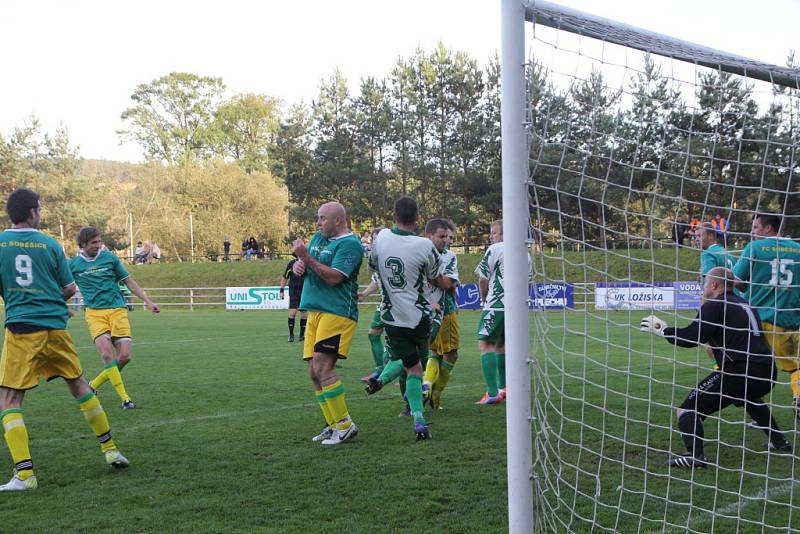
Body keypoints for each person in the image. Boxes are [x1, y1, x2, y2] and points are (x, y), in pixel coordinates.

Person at [0, 188, 129, 492]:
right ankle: (111, 450)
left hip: (21, 329)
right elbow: (70, 288)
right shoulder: (50, 244)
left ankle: (25, 475)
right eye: (39, 208)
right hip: (56, 328)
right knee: (80, 387)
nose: (41, 213)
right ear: (32, 212)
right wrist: (49, 301)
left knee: (9, 399)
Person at [640, 267, 791, 469]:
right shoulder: (745, 303)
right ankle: (780, 441)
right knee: (748, 397)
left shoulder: (715, 305)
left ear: (714, 285)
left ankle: (695, 456)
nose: (703, 287)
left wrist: (663, 330)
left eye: (705, 283)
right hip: (766, 371)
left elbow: (693, 337)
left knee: (687, 410)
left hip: (739, 371)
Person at [365, 197, 441, 440]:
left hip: (391, 317)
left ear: (393, 215)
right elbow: (433, 275)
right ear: (418, 218)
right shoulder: (425, 245)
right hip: (419, 316)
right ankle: (418, 419)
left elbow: (372, 265)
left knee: (409, 363)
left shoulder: (382, 238)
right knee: (417, 367)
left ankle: (383, 378)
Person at [292, 201, 363, 446]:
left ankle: (344, 426)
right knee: (314, 372)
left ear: (338, 221)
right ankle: (333, 425)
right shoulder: (318, 238)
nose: (318, 223)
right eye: (317, 218)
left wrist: (306, 258)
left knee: (323, 368)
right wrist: (300, 265)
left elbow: (334, 278)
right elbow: (308, 265)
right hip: (315, 311)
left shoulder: (351, 245)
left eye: (322, 218)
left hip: (337, 312)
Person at [69, 227, 160, 409]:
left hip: (117, 310)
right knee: (106, 354)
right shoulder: (72, 265)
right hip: (94, 313)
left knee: (125, 356)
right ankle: (125, 398)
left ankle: (93, 385)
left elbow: (129, 281)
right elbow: (63, 287)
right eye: (94, 242)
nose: (99, 245)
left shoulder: (110, 258)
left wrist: (148, 302)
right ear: (83, 244)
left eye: (99, 241)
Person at [732, 213, 800, 418]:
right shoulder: (798, 249)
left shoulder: (754, 248)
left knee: (750, 368)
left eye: (755, 228)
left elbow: (737, 281)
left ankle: (758, 414)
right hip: (793, 319)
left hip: (762, 320)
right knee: (795, 366)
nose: (752, 233)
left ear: (768, 228)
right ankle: (798, 396)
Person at [422, 218, 461, 410]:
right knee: (451, 354)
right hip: (444, 311)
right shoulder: (448, 256)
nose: (446, 240)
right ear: (429, 236)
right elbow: (447, 283)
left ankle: (426, 385)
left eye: (448, 237)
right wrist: (438, 278)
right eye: (442, 236)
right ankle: (435, 395)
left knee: (435, 351)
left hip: (423, 311)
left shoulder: (417, 253)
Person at [475, 220, 508, 404]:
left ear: (504, 234)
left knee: (485, 344)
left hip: (495, 304)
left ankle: (492, 392)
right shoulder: (524, 253)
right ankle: (505, 389)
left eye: (494, 233)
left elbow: (483, 278)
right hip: (514, 308)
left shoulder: (495, 249)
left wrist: (484, 297)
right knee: (501, 346)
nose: (491, 236)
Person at [357, 228, 387, 384]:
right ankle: (381, 369)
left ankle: (395, 370)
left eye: (377, 239)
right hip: (385, 303)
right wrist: (364, 294)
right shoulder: (377, 258)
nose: (374, 242)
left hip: (397, 304)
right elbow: (376, 281)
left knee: (397, 339)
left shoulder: (391, 255)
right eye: (373, 239)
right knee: (373, 334)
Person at [279, 253, 307, 342]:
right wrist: (281, 290)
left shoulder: (308, 264)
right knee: (292, 313)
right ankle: (291, 335)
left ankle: (302, 335)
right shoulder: (291, 264)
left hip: (304, 291)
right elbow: (285, 277)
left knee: (304, 314)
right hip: (293, 290)